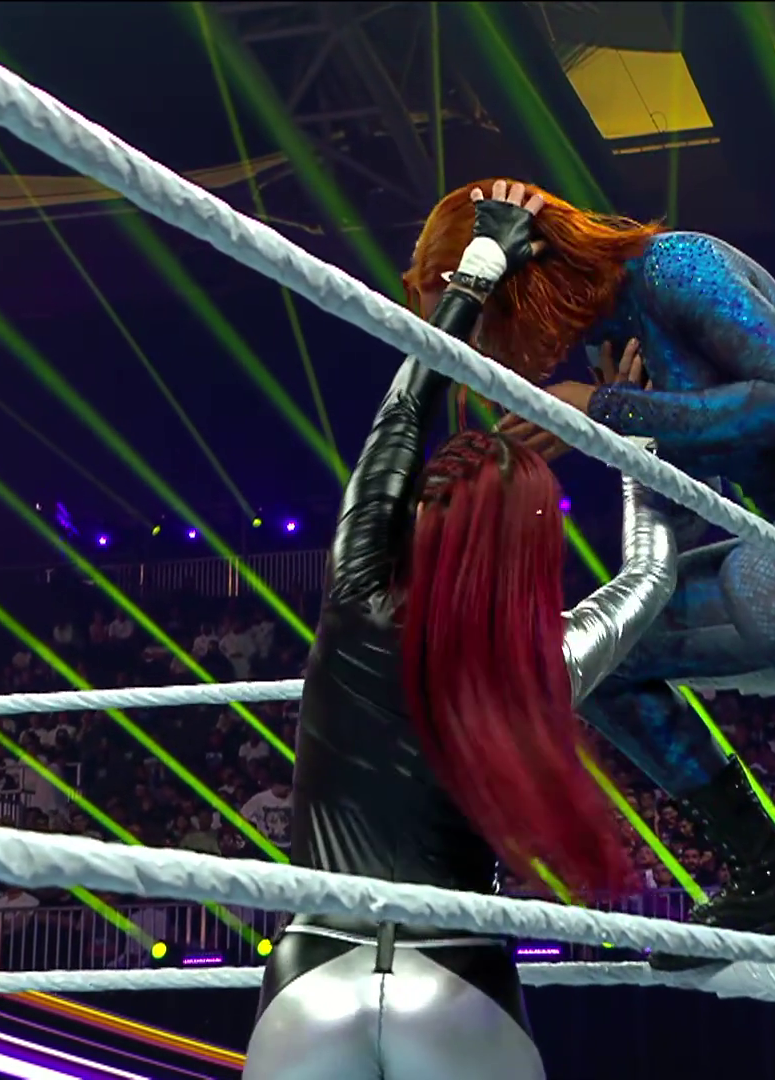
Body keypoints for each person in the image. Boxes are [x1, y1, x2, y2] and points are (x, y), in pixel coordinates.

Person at [404, 179, 775, 959]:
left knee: (767, 576)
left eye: (486, 326)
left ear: (521, 278)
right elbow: (698, 510)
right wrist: (630, 439)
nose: (494, 353)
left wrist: (608, 411)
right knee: (597, 653)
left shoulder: (677, 265)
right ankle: (769, 877)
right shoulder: (615, 340)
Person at [245, 183, 679, 1080]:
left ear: (421, 513)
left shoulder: (356, 590)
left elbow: (403, 412)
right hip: (457, 974)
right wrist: (636, 444)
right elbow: (648, 575)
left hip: (310, 973)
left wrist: (477, 270)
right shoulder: (541, 659)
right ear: (532, 551)